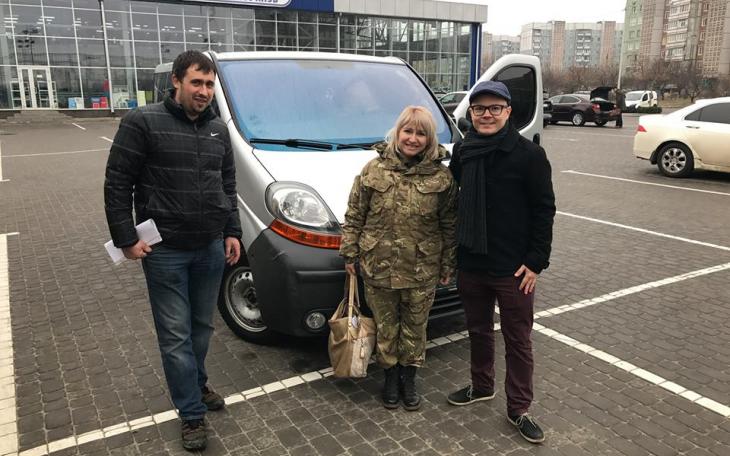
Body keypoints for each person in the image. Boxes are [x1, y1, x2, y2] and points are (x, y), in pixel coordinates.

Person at [104, 50, 241, 452]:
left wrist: (232, 231)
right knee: (176, 335)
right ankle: (191, 413)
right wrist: (126, 238)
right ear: (176, 81)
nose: (204, 91)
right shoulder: (142, 122)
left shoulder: (218, 129)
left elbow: (227, 185)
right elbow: (117, 183)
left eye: (209, 84)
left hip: (209, 247)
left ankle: (196, 384)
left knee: (201, 328)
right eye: (196, 82)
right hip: (165, 252)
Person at [446, 81, 555, 444]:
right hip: (472, 262)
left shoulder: (529, 155)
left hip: (514, 269)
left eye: (495, 108)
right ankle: (481, 386)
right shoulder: (464, 151)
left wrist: (536, 262)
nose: (487, 115)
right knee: (478, 331)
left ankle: (519, 408)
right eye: (480, 109)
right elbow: (453, 197)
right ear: (471, 113)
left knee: (518, 340)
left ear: (508, 112)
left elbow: (544, 210)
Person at [340, 106, 457, 411]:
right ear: (397, 132)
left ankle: (409, 378)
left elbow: (449, 224)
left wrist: (448, 264)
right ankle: (390, 377)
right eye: (408, 131)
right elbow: (355, 214)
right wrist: (349, 252)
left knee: (415, 327)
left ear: (429, 139)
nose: (413, 139)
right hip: (379, 266)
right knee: (386, 326)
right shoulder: (373, 170)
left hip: (422, 268)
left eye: (421, 133)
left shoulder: (441, 177)